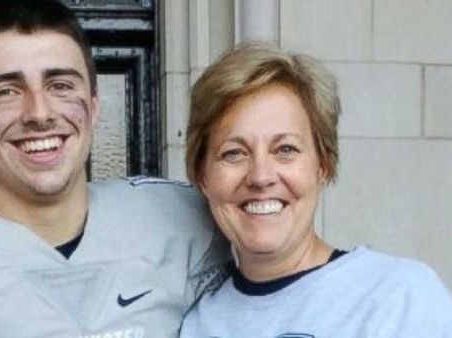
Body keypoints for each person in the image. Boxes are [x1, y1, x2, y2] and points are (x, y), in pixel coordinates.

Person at [0, 0, 227, 337]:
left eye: (60, 85)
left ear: (94, 107)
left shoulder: (182, 219)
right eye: (6, 91)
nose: (39, 113)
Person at [179, 43, 452, 337]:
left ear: (323, 165)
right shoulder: (194, 324)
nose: (260, 176)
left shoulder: (398, 298)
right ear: (202, 175)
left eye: (285, 149)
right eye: (234, 153)